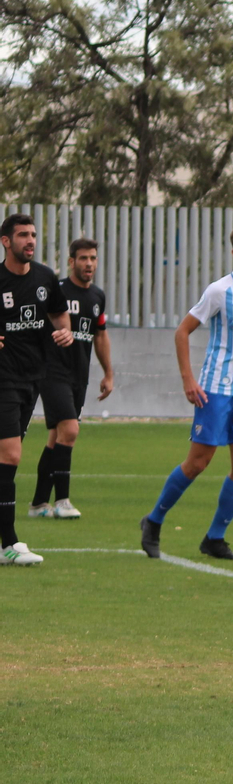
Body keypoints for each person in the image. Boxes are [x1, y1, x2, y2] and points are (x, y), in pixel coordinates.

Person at [139, 222, 233, 562]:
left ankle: (214, 538)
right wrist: (189, 379)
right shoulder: (220, 291)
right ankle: (154, 520)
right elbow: (182, 331)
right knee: (198, 462)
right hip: (216, 390)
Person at [0, 214, 72, 567]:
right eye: (23, 236)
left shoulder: (45, 278)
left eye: (33, 235)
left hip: (33, 379)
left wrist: (66, 332)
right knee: (10, 455)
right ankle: (9, 543)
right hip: (3, 379)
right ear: (5, 242)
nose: (30, 240)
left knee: (5, 461)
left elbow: (60, 316)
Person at [28, 238, 114, 520]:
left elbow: (100, 335)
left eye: (93, 258)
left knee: (57, 437)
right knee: (71, 431)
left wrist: (108, 373)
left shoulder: (98, 296)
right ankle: (62, 501)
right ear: (71, 261)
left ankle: (39, 504)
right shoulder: (58, 291)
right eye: (83, 258)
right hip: (52, 373)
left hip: (79, 375)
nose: (89, 263)